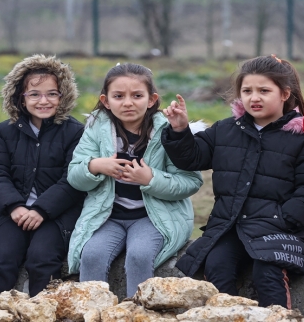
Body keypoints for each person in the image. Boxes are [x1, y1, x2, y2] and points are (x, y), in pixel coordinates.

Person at [161, 55, 304, 308]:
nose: (255, 98)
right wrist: (179, 131)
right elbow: (192, 158)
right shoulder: (226, 129)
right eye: (247, 91)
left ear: (285, 93)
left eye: (264, 90)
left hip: (279, 229)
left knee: (267, 273)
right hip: (231, 227)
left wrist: (285, 220)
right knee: (217, 265)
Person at [67, 63, 203, 297]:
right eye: (118, 96)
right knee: (91, 255)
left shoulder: (167, 132)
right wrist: (95, 166)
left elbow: (190, 181)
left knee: (139, 255)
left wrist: (150, 178)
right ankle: (91, 312)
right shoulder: (96, 129)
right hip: (108, 216)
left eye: (137, 95)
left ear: (151, 100)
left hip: (154, 218)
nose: (128, 102)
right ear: (106, 101)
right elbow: (75, 176)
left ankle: (136, 312)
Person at [0, 55, 86, 296]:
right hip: (15, 212)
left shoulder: (75, 132)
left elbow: (73, 179)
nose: (43, 101)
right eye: (34, 94)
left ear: (63, 96)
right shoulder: (5, 131)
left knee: (42, 258)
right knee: (1, 257)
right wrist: (14, 207)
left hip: (56, 215)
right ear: (20, 98)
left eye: (52, 94)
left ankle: (41, 312)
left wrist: (42, 209)